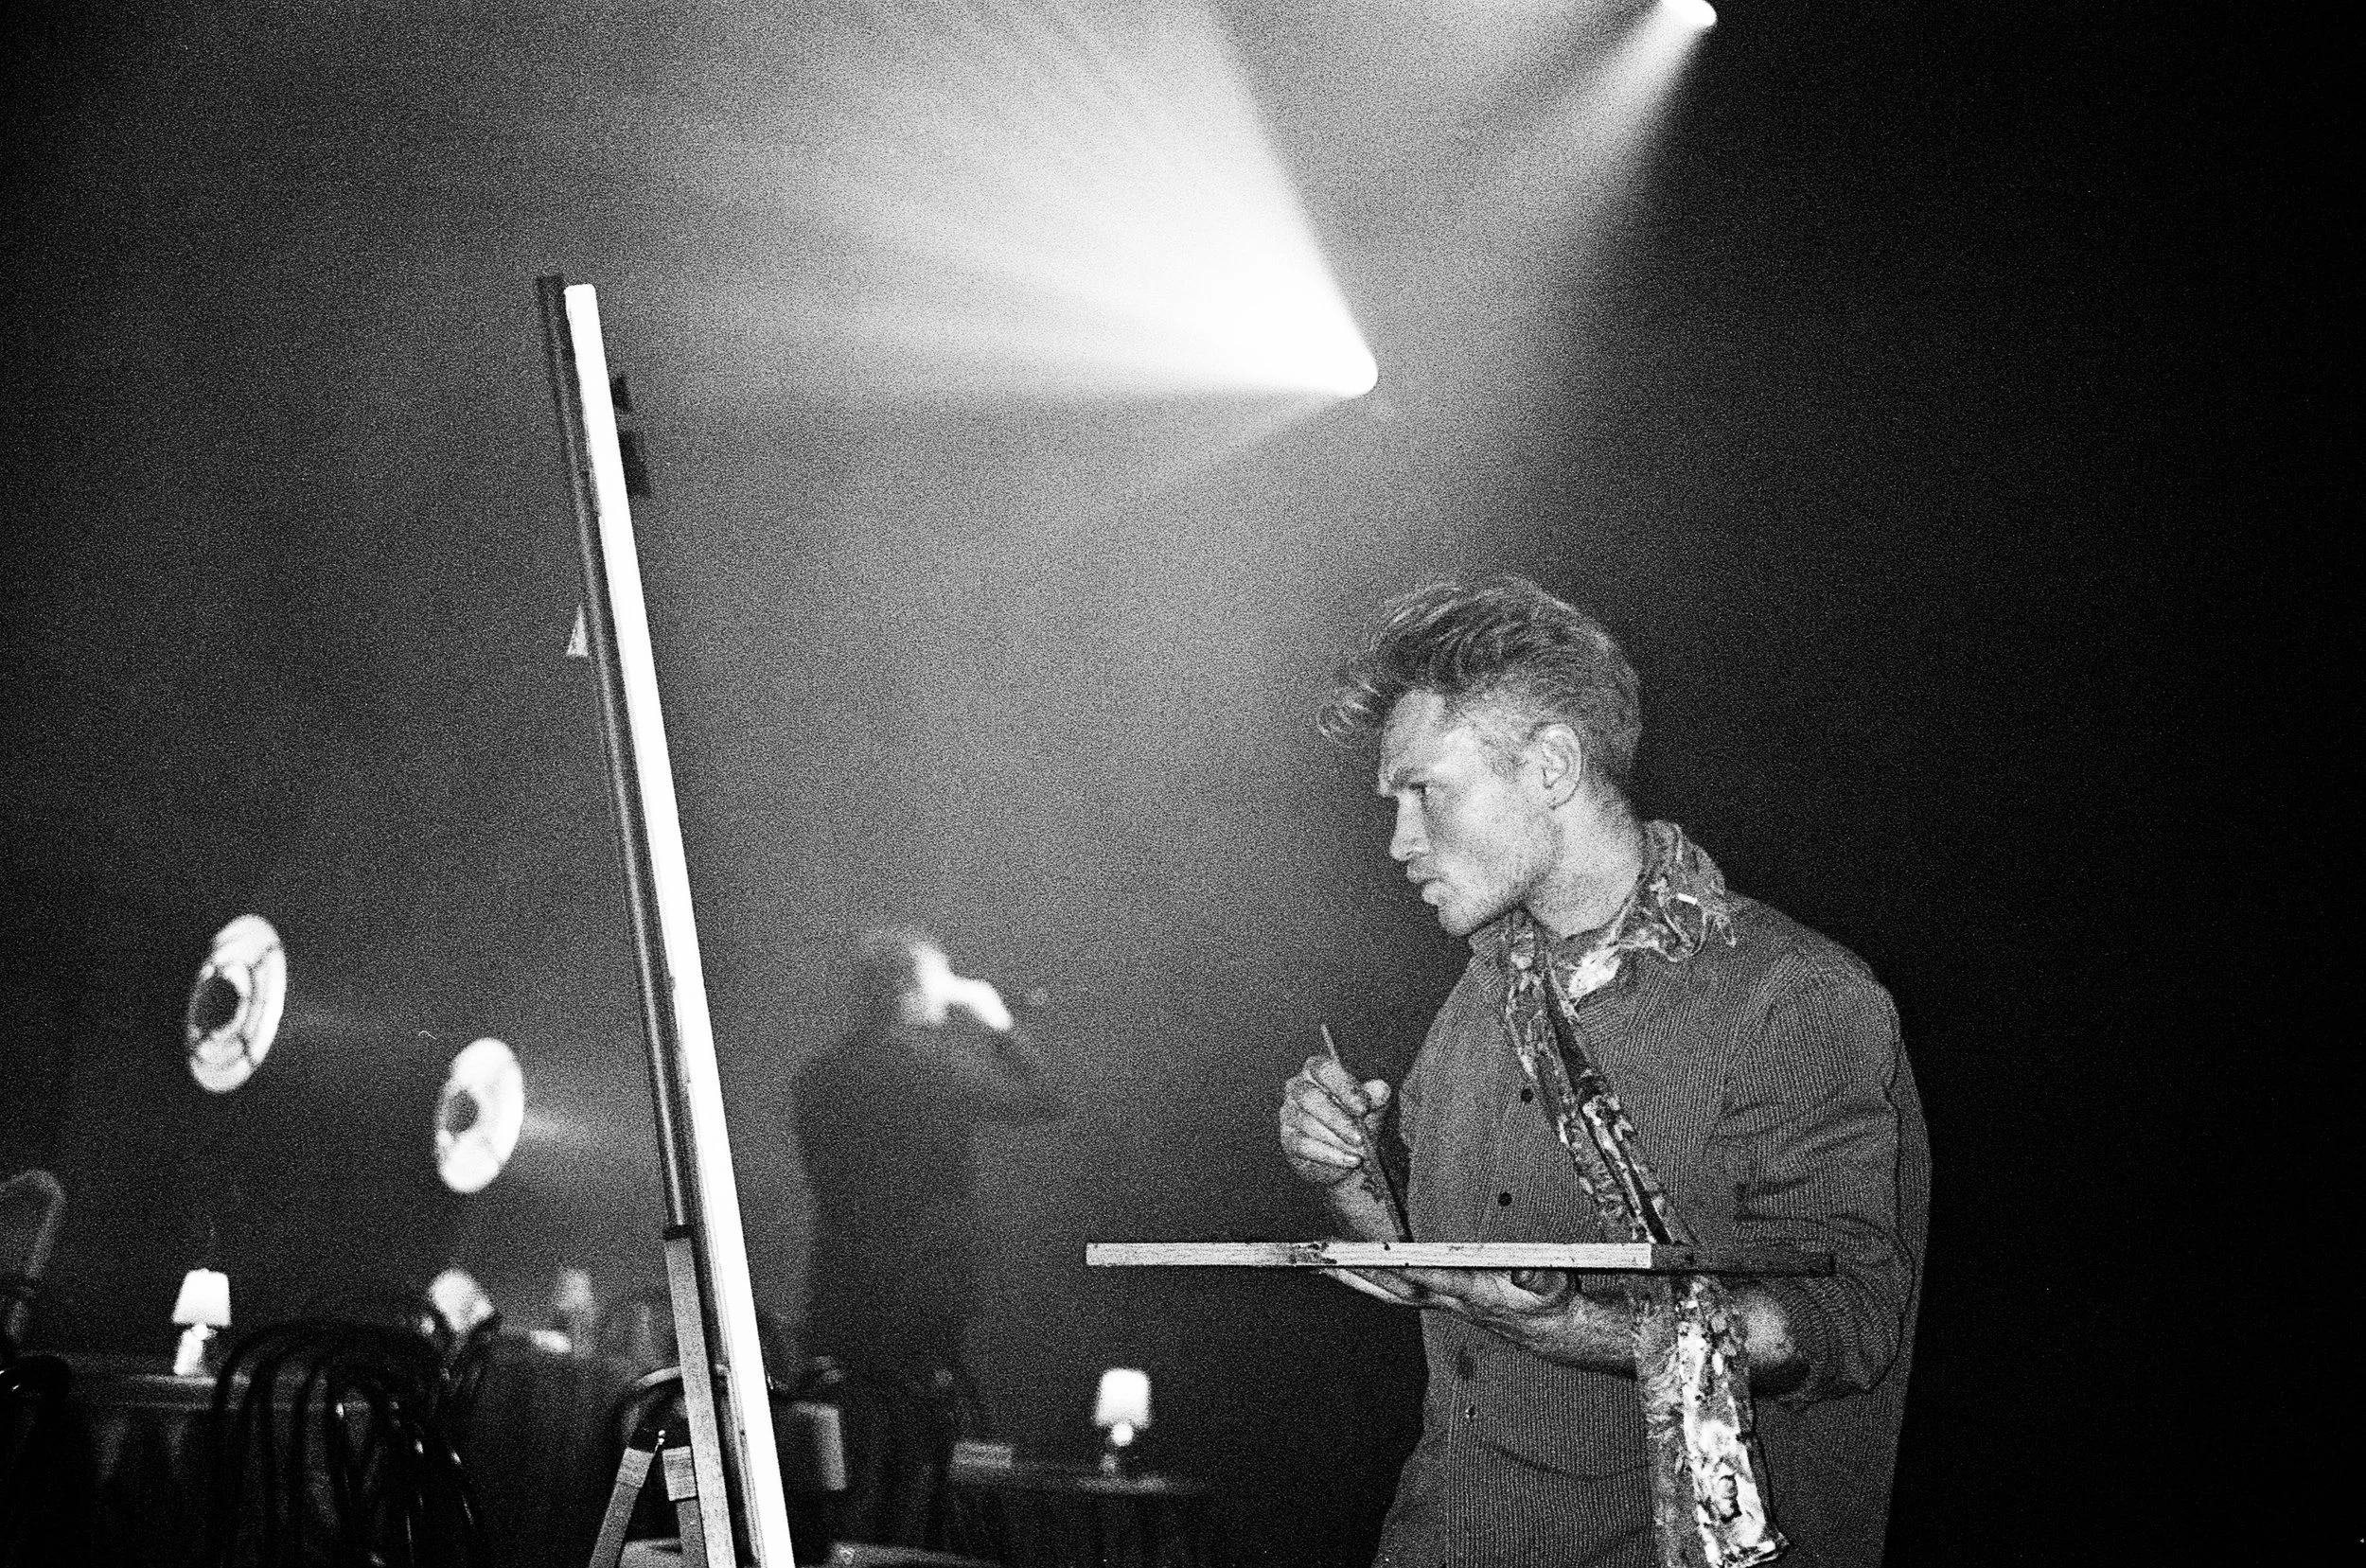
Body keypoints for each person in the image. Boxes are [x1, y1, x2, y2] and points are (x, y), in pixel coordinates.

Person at [1278, 578, 1927, 1568]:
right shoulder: (1481, 993)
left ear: (1551, 764)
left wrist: (1577, 1324)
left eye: (1426, 791)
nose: (1400, 841)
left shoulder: (1792, 996)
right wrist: (1348, 1177)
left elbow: (1846, 1321)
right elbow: (1444, 1278)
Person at [794, 928, 1064, 1545]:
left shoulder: (822, 1072)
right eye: (938, 975)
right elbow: (1044, 1100)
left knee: (842, 1465)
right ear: (905, 988)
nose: (951, 988)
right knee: (910, 1471)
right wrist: (1000, 1024)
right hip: (918, 1292)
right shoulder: (927, 1066)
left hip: (841, 1288)